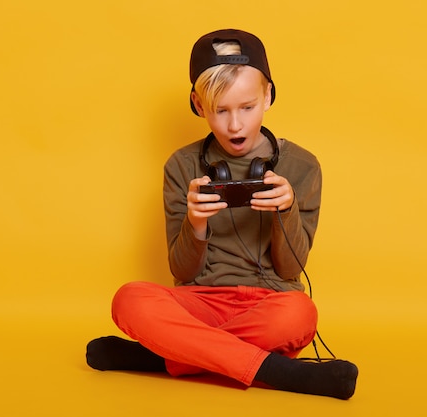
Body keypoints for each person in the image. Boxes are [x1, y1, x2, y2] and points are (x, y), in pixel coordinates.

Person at [86, 28, 358, 400]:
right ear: (198, 104)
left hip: (270, 303)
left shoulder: (304, 166)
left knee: (300, 313)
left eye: (247, 107)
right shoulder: (181, 165)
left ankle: (168, 355)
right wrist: (195, 224)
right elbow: (183, 272)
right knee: (129, 298)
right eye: (220, 110)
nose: (234, 125)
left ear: (268, 96)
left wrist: (287, 210)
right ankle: (274, 370)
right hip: (200, 302)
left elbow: (290, 270)